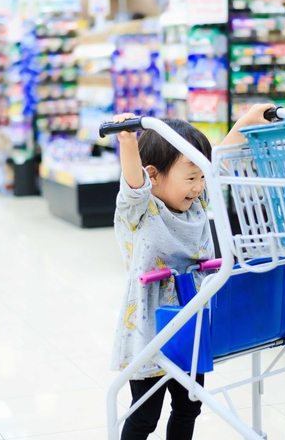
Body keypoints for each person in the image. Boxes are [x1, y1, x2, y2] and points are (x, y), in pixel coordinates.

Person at [111, 104, 274, 440]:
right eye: (190, 177)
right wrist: (127, 142)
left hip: (191, 318)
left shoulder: (196, 201)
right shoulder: (139, 208)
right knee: (145, 416)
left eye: (201, 177)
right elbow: (132, 182)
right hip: (151, 325)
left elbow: (218, 160)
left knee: (189, 406)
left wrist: (244, 122)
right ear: (154, 175)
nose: (199, 186)